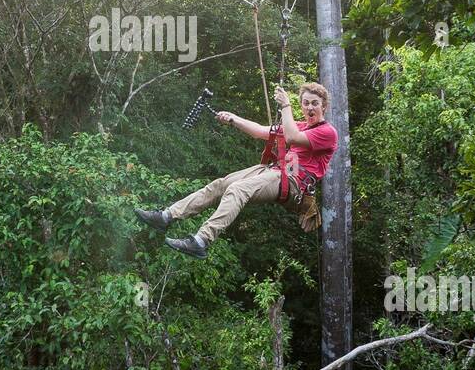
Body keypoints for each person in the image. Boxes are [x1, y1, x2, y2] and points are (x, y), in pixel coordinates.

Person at [135, 82, 338, 258]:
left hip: (292, 183)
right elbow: (260, 132)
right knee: (221, 185)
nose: (309, 107)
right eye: (306, 103)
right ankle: (166, 216)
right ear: (301, 105)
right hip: (275, 172)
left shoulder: (327, 132)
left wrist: (285, 105)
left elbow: (292, 138)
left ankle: (201, 241)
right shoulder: (299, 125)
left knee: (238, 190)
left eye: (315, 103)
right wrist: (233, 118)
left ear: (324, 106)